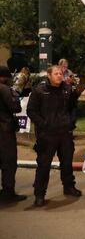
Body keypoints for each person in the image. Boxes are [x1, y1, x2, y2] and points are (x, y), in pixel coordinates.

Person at [27, 65, 81, 207]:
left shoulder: (67, 90)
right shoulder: (39, 90)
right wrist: (43, 124)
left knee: (67, 163)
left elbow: (73, 107)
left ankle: (69, 187)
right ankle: (39, 194)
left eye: (61, 74)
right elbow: (31, 111)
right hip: (47, 135)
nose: (59, 76)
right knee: (44, 166)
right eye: (56, 73)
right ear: (49, 76)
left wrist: (71, 122)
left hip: (65, 134)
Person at [0, 66, 26, 202]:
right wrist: (15, 93)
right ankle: (8, 193)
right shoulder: (4, 89)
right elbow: (16, 107)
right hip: (4, 131)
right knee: (8, 162)